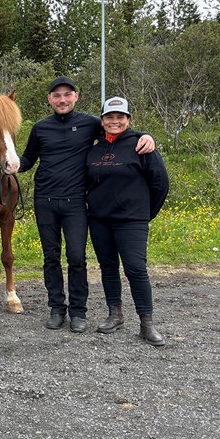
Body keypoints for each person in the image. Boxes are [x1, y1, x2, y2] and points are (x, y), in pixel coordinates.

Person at [11, 76, 155, 333]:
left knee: (77, 258)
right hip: (44, 200)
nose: (62, 100)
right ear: (50, 99)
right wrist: (12, 163)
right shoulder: (40, 128)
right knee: (50, 257)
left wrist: (146, 136)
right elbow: (29, 159)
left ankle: (78, 311)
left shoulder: (90, 123)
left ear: (76, 97)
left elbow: (119, 132)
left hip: (76, 202)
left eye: (67, 94)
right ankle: (57, 308)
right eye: (57, 95)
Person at [86, 97, 169, 346]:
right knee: (108, 267)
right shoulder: (94, 149)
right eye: (109, 117)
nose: (115, 121)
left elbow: (160, 183)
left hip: (131, 221)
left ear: (128, 119)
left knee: (135, 269)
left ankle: (147, 323)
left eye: (120, 117)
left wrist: (145, 213)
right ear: (102, 121)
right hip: (99, 220)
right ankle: (115, 314)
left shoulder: (141, 146)